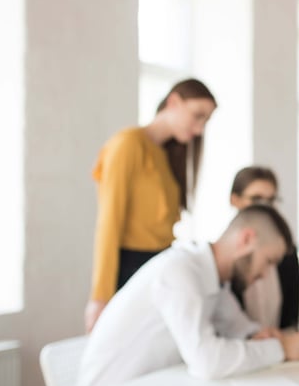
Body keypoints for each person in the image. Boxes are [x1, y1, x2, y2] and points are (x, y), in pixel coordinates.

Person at [74, 204, 299, 386]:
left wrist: (261, 335)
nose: (266, 275)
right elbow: (207, 362)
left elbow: (238, 327)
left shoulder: (214, 279)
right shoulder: (180, 271)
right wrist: (283, 349)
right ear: (246, 239)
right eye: (268, 261)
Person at [85, 78, 217, 333]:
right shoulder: (128, 144)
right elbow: (109, 223)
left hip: (161, 265)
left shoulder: (168, 154)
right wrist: (99, 297)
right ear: (173, 102)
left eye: (206, 121)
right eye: (197, 116)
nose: (200, 129)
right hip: (129, 268)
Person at [228, 166, 299, 330]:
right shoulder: (226, 258)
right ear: (235, 200)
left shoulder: (287, 252)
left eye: (271, 200)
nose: (265, 207)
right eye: (256, 199)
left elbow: (291, 318)